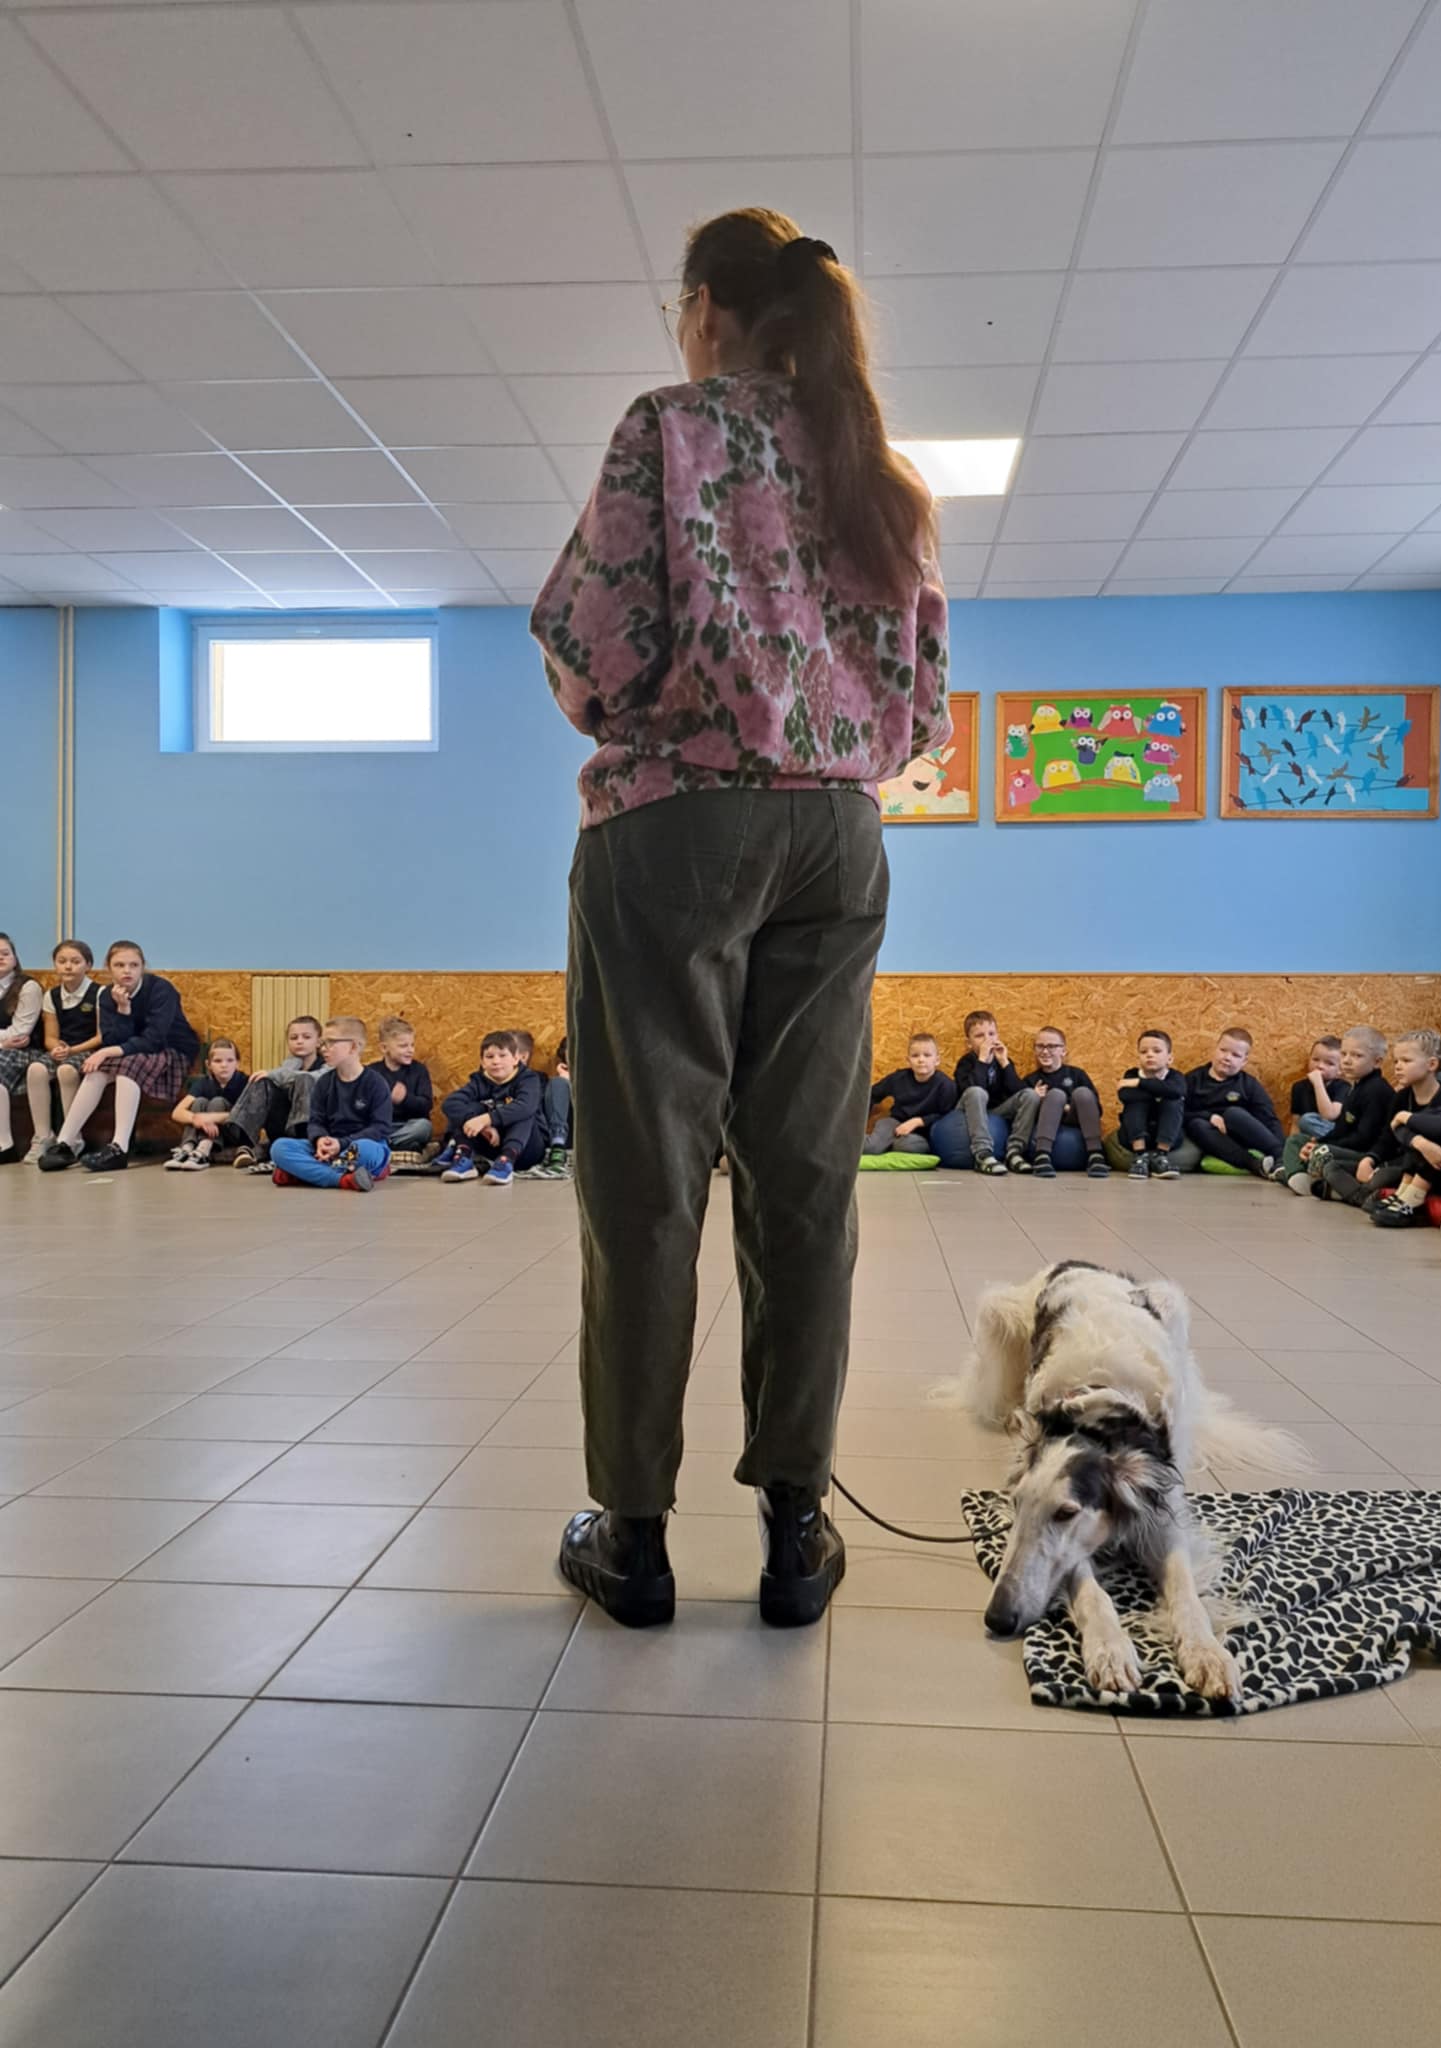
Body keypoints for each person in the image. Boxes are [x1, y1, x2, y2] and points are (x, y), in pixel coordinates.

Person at [531, 206, 948, 1629]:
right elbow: (921, 711)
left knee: (646, 1185)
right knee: (809, 1178)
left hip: (674, 827)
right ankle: (796, 1532)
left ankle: (633, 1538)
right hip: (836, 839)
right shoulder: (881, 471)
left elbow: (591, 655)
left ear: (707, 308)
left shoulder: (671, 427)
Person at [37, 941, 198, 1173]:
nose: (127, 971)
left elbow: (154, 1039)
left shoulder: (161, 989)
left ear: (142, 966)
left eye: (134, 965)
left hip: (171, 1049)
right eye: (119, 965)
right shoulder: (106, 995)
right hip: (131, 1051)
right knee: (97, 1070)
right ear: (109, 968)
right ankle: (65, 1143)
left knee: (125, 1069)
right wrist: (123, 1011)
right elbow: (113, 1039)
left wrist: (105, 1052)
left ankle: (119, 1147)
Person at [1320, 1029, 1441, 1209]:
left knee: (1381, 1178)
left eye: (1406, 1061)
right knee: (1332, 1167)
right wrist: (1370, 1159)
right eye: (1396, 1061)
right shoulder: (1401, 1097)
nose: (1398, 1066)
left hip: (1423, 1171)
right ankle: (1365, 1198)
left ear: (1432, 1064)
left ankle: (1353, 1193)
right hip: (1394, 1162)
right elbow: (1387, 1138)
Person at [270, 1018, 392, 1193]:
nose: (323, 1048)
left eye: (331, 1042)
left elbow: (380, 1128)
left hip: (355, 1147)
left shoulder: (376, 1083)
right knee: (279, 1148)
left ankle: (304, 1174)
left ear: (353, 1047)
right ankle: (343, 1179)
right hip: (329, 1148)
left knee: (366, 1151)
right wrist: (320, 1139)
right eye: (323, 1042)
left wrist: (341, 1144)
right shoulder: (323, 1083)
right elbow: (316, 1122)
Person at [23, 940, 101, 1162]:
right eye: (62, 961)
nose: (68, 966)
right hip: (63, 1050)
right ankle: (42, 1136)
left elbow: (101, 1036)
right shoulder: (52, 996)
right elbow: (50, 1036)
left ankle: (72, 1137)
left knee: (66, 1071)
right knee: (36, 1069)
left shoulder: (98, 993)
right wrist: (56, 1048)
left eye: (75, 961)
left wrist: (73, 1050)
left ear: (88, 965)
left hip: (88, 1049)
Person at [437, 1030, 547, 1186]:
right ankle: (464, 1156)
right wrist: (480, 1125)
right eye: (489, 1057)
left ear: (516, 1059)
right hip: (493, 1145)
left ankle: (506, 1161)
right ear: (482, 1062)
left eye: (502, 1055)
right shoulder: (479, 1081)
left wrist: (487, 1119)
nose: (496, 1061)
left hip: (527, 1149)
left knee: (523, 1110)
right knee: (470, 1108)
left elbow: (526, 1106)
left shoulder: (528, 1079)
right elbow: (450, 1103)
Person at [1298, 1025, 1394, 1198]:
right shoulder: (1355, 1087)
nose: (1347, 1061)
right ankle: (1299, 1178)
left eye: (1357, 1055)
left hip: (1369, 1156)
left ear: (1377, 1062)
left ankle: (1356, 1196)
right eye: (1344, 1054)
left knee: (1323, 1154)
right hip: (1351, 1149)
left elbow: (1364, 1139)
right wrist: (1319, 1141)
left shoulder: (1376, 1090)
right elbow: (1341, 1128)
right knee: (1296, 1141)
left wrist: (1325, 1147)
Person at [1372, 1051, 1441, 1229]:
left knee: (1438, 1136)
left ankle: (1413, 1197)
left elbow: (1440, 1127)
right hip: (1434, 1175)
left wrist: (1404, 1116)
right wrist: (1420, 1143)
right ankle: (1405, 1194)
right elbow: (1397, 1128)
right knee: (1421, 1138)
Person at [224, 1015, 325, 1174]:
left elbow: (316, 1077)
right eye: (294, 1038)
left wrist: (273, 1074)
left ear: (318, 1042)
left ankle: (303, 1145)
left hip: (310, 1126)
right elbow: (282, 1076)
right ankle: (245, 1144)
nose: (299, 1041)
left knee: (304, 1079)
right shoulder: (289, 1065)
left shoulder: (327, 1064)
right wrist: (271, 1076)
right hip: (282, 1125)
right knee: (262, 1080)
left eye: (306, 1037)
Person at [1183, 1028, 1285, 1177]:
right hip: (1211, 1137)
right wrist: (1209, 1117)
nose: (1227, 1057)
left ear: (1244, 1061)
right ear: (1214, 1050)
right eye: (1223, 1050)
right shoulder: (1193, 1079)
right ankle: (1254, 1164)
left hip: (1243, 1134)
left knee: (1233, 1113)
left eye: (1236, 1055)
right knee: (1196, 1124)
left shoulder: (1248, 1084)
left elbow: (1269, 1118)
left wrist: (1281, 1148)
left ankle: (1281, 1157)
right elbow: (1179, 1113)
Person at [1015, 1025, 1109, 1179]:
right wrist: (1035, 1098)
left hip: (1074, 1119)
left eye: (1051, 1046)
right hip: (1045, 1124)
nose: (1045, 1051)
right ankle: (1042, 1155)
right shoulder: (1031, 1080)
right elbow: (1023, 1114)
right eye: (1040, 1046)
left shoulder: (1077, 1075)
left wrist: (1065, 1107)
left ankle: (1095, 1154)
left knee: (1083, 1093)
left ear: (1063, 1051)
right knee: (1056, 1095)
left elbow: (1096, 1110)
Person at [952, 1011, 1032, 1174]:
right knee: (977, 1092)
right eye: (979, 1036)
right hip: (968, 1110)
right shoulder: (966, 1062)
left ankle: (1014, 1151)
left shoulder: (1002, 1061)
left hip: (995, 1112)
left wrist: (1005, 1063)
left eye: (991, 1034)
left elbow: (1018, 1091)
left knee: (1030, 1095)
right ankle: (982, 1152)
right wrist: (982, 1060)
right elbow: (970, 1089)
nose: (987, 1040)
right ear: (969, 1043)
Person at [1110, 1030, 1190, 1178]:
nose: (1150, 1055)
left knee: (1173, 1101)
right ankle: (1140, 1156)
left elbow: (1178, 1091)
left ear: (1170, 1058)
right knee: (1135, 1102)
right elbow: (1125, 1095)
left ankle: (1161, 1156)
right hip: (1134, 1134)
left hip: (1168, 1135)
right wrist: (1161, 1091)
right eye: (1143, 1051)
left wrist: (1139, 1083)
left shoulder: (1175, 1076)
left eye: (1157, 1051)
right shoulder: (1131, 1074)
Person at [1270, 1035, 1345, 1185]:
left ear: (1340, 1070)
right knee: (1293, 1140)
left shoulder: (1343, 1087)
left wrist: (1318, 1084)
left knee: (1308, 1120)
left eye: (1329, 1063)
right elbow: (1296, 1124)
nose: (1320, 1066)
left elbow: (1330, 1115)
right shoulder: (1299, 1087)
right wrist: (1292, 1147)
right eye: (1315, 1060)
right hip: (1310, 1141)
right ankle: (1295, 1175)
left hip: (1335, 1139)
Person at [864, 1033, 956, 1154]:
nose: (921, 1060)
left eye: (927, 1055)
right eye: (915, 1055)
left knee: (907, 1146)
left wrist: (918, 1121)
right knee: (872, 1147)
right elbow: (871, 1094)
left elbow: (947, 1115)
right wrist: (859, 1121)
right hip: (894, 1123)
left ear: (937, 1060)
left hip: (922, 1132)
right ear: (908, 1060)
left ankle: (889, 1144)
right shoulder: (898, 1078)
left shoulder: (946, 1085)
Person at [166, 1039, 248, 1171]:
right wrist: (197, 1119)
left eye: (230, 1060)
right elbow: (177, 1112)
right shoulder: (204, 1083)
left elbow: (246, 1115)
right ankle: (187, 1148)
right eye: (218, 1061)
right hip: (207, 1132)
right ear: (208, 1064)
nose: (224, 1065)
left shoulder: (244, 1082)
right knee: (199, 1102)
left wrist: (211, 1118)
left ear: (237, 1063)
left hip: (233, 1135)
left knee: (217, 1102)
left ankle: (203, 1151)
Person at [366, 1015, 435, 1165]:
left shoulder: (418, 1070)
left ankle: (385, 1143)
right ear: (384, 1048)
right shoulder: (372, 1072)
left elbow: (426, 1105)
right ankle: (402, 1145)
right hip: (382, 1126)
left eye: (412, 1045)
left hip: (408, 1126)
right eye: (403, 1046)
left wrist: (405, 1099)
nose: (410, 1050)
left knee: (424, 1127)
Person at [0, 933, 44, 1166]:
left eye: (5, 953)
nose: (1, 958)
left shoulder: (28, 987)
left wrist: (5, 1043)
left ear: (15, 958)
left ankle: (4, 1145)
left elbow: (19, 1032)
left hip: (24, 1053)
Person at [525, 1036, 574, 1181]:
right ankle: (557, 1146)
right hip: (563, 1137)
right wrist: (565, 1080)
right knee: (557, 1084)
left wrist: (574, 1083)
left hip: (590, 1135)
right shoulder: (556, 1082)